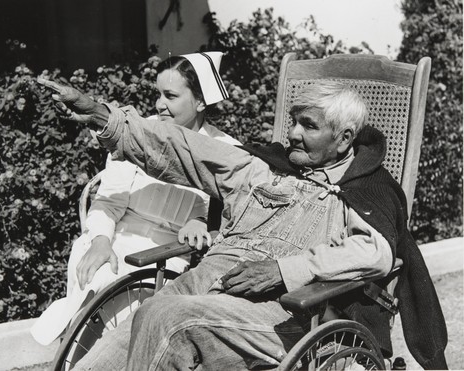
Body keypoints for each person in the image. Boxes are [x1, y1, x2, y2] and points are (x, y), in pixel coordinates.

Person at [39, 79, 447, 370]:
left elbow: (374, 252)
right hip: (209, 280)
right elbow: (182, 146)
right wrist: (102, 115)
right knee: (143, 319)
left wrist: (284, 270)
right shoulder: (262, 168)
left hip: (284, 313)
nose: (292, 134)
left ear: (344, 138)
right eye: (294, 121)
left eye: (309, 125)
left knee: (168, 318)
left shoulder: (367, 190)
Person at [30, 52, 240, 346]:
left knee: (126, 330)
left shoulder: (225, 150)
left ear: (201, 101)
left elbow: (230, 215)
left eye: (171, 95)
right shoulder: (139, 132)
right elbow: (108, 201)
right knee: (94, 271)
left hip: (166, 253)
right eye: (158, 94)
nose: (159, 103)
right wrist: (102, 240)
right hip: (114, 235)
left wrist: (201, 220)